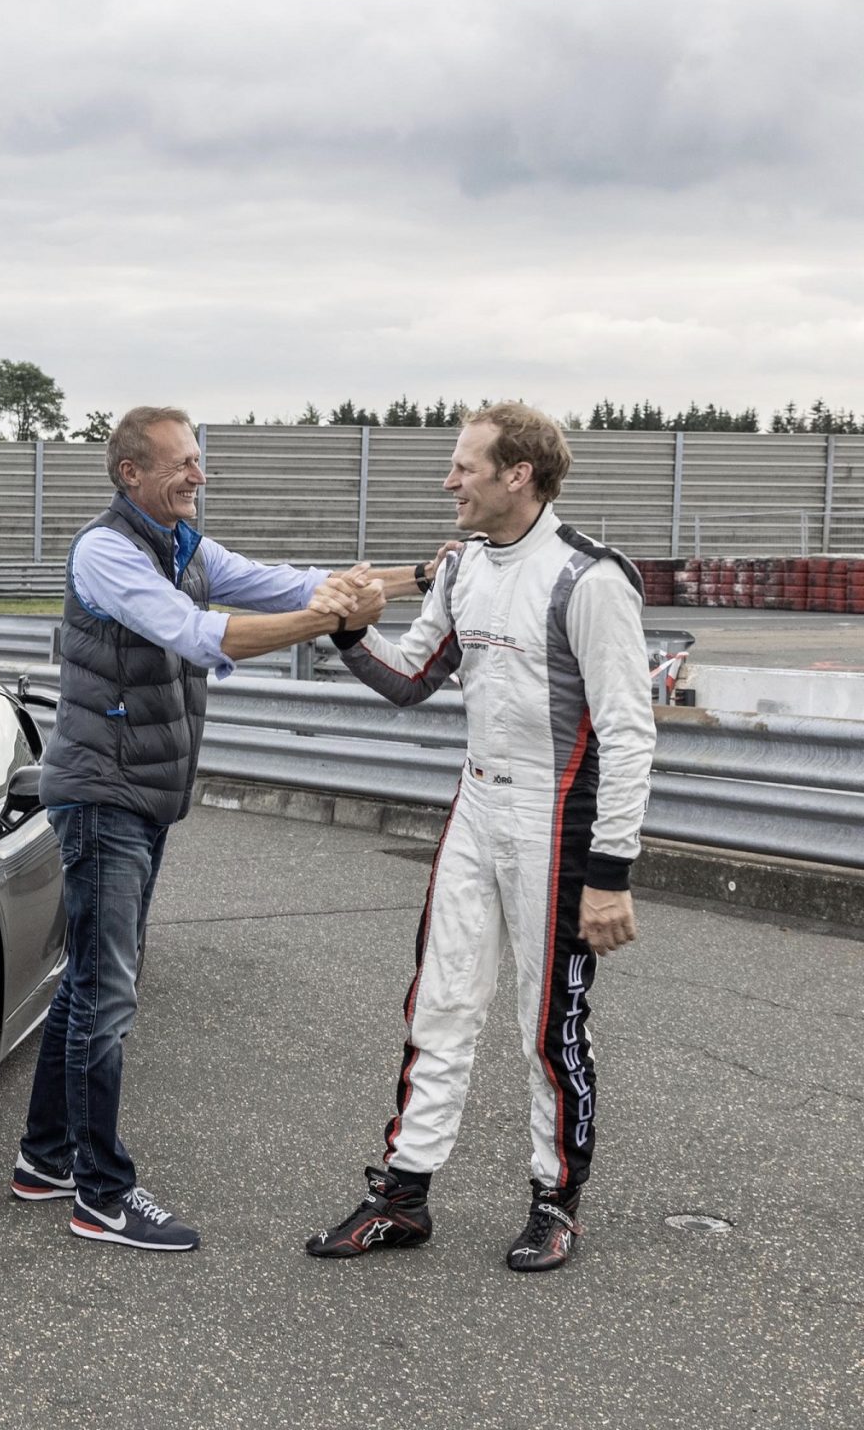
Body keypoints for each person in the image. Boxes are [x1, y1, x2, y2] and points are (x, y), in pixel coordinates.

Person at [13, 406, 428, 1252]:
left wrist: (417, 574)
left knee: (89, 980)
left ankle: (45, 1157)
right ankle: (101, 1194)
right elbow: (200, 637)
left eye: (198, 461)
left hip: (139, 791)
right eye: (181, 465)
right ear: (131, 473)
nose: (198, 476)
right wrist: (330, 622)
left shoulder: (183, 545)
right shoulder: (107, 552)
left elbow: (283, 582)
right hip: (104, 796)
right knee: (107, 993)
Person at [303, 402, 652, 1273]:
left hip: (559, 821)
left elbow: (630, 733)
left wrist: (610, 873)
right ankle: (404, 1195)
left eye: (463, 467)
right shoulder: (462, 568)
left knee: (549, 1025)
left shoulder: (591, 579)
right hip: (475, 805)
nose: (447, 481)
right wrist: (351, 631)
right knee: (440, 1003)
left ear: (517, 475)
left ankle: (555, 1201)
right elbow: (412, 679)